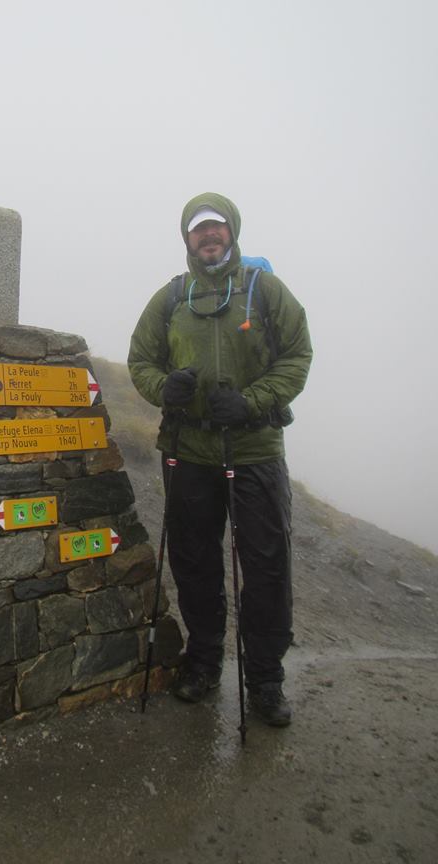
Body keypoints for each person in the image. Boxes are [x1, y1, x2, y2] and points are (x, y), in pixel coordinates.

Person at [128, 192, 312, 726]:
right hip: (187, 449)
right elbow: (141, 359)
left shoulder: (264, 289)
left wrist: (253, 402)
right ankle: (204, 661)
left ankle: (265, 680)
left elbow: (298, 354)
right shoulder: (172, 297)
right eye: (198, 229)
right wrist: (168, 389)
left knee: (266, 564)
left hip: (254, 449)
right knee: (194, 560)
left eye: (216, 228)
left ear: (231, 231)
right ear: (186, 238)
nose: (208, 236)